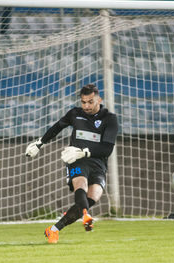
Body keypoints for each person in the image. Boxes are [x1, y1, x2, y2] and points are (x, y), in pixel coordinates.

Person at [25, 84, 118, 243]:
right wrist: (40, 143)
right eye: (83, 102)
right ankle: (87, 216)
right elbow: (57, 128)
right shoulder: (75, 114)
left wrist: (86, 151)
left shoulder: (109, 119)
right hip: (76, 159)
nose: (86, 106)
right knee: (80, 184)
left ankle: (53, 230)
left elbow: (107, 148)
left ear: (99, 100)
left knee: (93, 196)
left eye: (90, 102)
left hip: (97, 162)